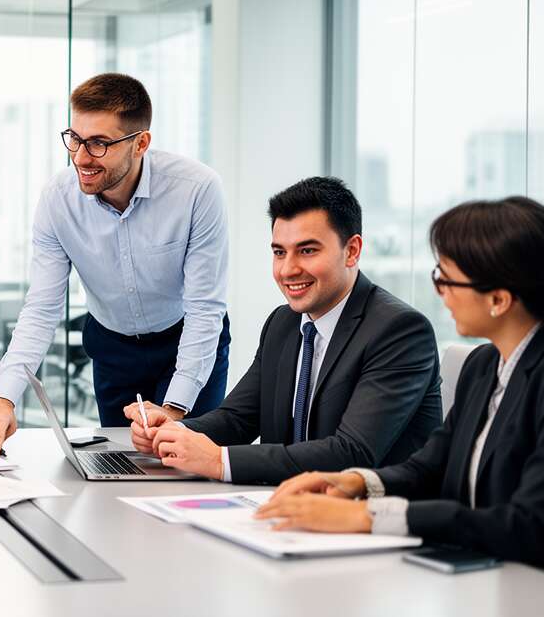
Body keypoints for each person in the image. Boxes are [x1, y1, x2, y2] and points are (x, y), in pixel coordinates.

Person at [257, 197, 544, 582]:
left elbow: (533, 526)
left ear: (499, 299)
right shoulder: (483, 364)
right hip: (485, 580)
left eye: (445, 278)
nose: (440, 291)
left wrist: (367, 516)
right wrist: (357, 483)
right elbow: (431, 468)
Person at [0, 72, 231, 451]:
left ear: (140, 143)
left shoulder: (196, 190)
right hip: (113, 349)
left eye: (99, 144)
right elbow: (42, 308)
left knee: (182, 458)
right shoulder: (58, 199)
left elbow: (204, 309)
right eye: (76, 140)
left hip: (187, 339)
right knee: (120, 463)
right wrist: (4, 398)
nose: (81, 157)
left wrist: (174, 410)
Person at [134, 178, 441, 484]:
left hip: (367, 519)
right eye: (280, 252)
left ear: (352, 251)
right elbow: (238, 419)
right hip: (287, 508)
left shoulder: (399, 331)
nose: (287, 270)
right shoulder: (284, 322)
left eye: (307, 251)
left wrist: (218, 460)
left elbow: (353, 452)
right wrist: (175, 432)